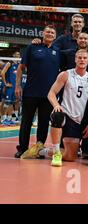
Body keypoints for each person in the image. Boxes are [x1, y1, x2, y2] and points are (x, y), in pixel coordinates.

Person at [45, 50, 88, 166]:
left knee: (71, 157)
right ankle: (56, 153)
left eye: (85, 58)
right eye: (79, 58)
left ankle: (43, 151)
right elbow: (51, 93)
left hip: (77, 120)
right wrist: (56, 105)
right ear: (75, 59)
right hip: (64, 114)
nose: (82, 60)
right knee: (57, 115)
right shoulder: (66, 74)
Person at [15, 26, 60, 158]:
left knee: (44, 123)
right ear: (42, 34)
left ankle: (39, 149)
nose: (50, 34)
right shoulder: (32, 47)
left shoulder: (58, 52)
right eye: (48, 32)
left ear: (55, 36)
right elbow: (21, 68)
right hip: (30, 92)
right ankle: (22, 148)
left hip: (48, 95)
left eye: (53, 32)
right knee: (26, 122)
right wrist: (18, 86)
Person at [1, 51, 21, 125]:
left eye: (18, 54)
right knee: (6, 103)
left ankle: (10, 119)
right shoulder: (10, 63)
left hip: (15, 87)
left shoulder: (18, 64)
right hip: (9, 87)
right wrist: (5, 83)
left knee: (12, 103)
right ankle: (4, 119)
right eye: (16, 54)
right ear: (13, 55)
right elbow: (2, 73)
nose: (17, 55)